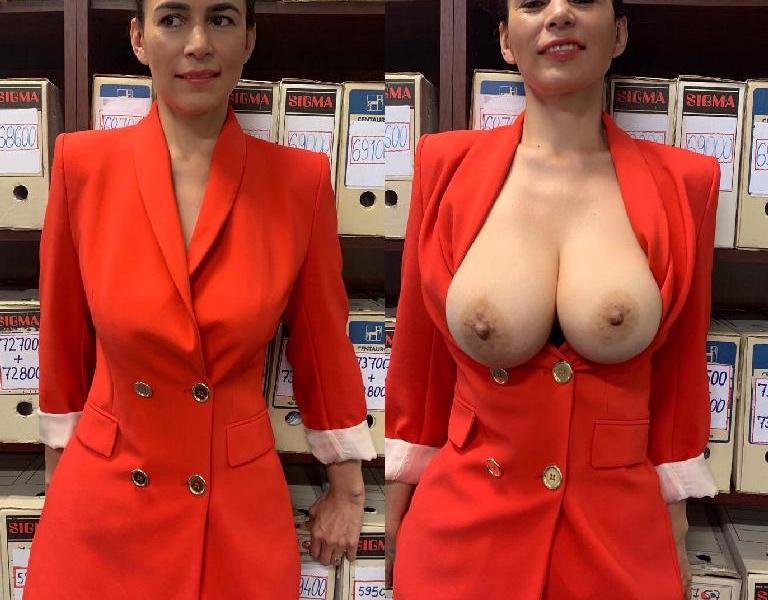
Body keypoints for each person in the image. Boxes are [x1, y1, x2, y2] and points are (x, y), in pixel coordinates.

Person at [24, 1, 376, 598]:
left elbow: (322, 345)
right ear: (138, 38)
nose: (197, 43)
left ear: (249, 39)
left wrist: (348, 491)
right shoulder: (81, 166)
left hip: (235, 508)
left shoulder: (301, 182)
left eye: (220, 19)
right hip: (105, 496)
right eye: (171, 19)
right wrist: (59, 483)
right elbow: (62, 337)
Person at [385, 0, 719, 598]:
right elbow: (420, 357)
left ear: (619, 33)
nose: (559, 14)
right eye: (533, 2)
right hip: (461, 537)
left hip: (620, 542)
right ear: (506, 41)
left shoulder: (686, 183)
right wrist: (392, 512)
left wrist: (676, 517)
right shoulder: (445, 165)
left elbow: (680, 371)